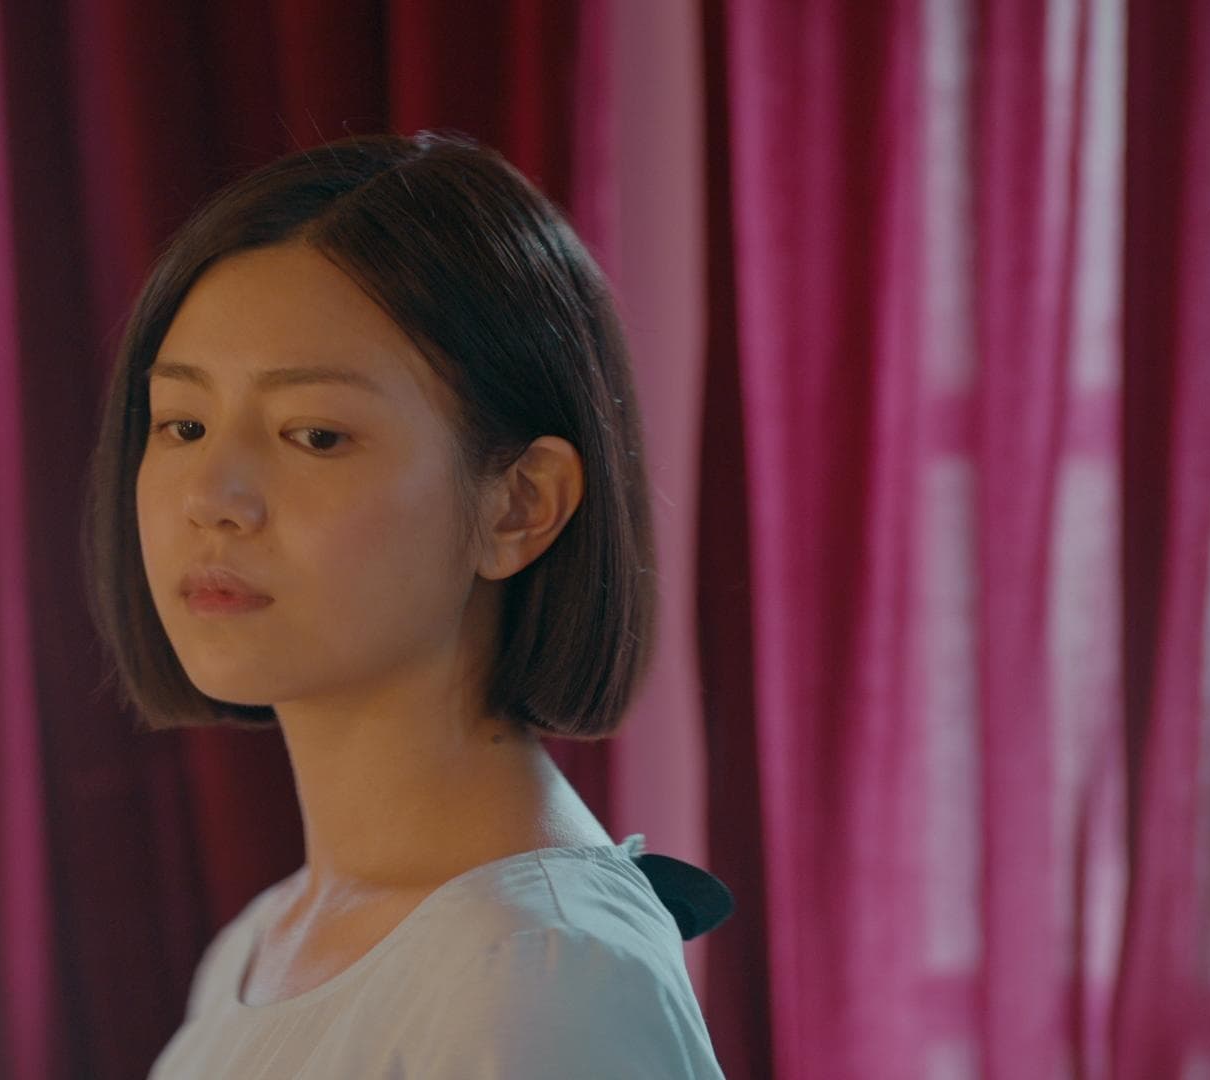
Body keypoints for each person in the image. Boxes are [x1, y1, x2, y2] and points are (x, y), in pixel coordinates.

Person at [81, 130, 730, 1078]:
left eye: (314, 435)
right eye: (183, 424)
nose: (211, 497)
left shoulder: (540, 977)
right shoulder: (261, 946)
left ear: (519, 505)